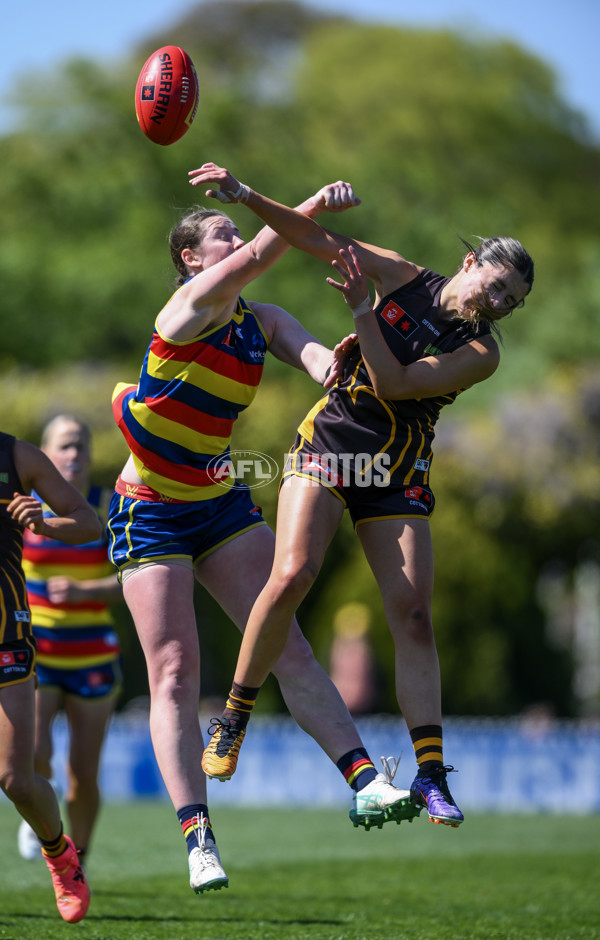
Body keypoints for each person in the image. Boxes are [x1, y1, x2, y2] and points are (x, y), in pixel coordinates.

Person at [106, 175, 420, 898]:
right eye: (218, 234)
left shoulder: (263, 320)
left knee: (288, 643)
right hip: (148, 506)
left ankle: (366, 781)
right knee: (177, 671)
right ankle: (199, 839)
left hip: (217, 501)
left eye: (231, 229)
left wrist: (340, 368)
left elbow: (314, 360)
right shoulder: (186, 309)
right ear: (191, 259)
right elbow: (256, 254)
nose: (233, 240)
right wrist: (304, 204)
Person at [194, 162, 535, 828]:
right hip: (330, 445)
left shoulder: (483, 351)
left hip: (396, 470)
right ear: (470, 263)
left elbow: (395, 383)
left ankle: (431, 776)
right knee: (291, 574)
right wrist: (248, 194)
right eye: (497, 287)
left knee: (412, 615)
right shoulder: (405, 276)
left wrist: (360, 313)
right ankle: (234, 715)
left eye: (511, 303)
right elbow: (312, 239)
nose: (499, 306)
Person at [0, 430, 100, 923]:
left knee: (16, 779)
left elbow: (89, 523)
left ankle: (61, 856)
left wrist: (46, 521)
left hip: (6, 634)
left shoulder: (17, 456)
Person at [17, 415, 123, 867]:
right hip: (37, 654)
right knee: (34, 752)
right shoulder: (22, 508)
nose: (74, 454)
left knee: (84, 776)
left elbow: (140, 578)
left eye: (80, 445)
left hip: (93, 655)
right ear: (45, 453)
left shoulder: (106, 505)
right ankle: (39, 807)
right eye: (64, 446)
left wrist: (87, 591)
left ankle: (78, 860)